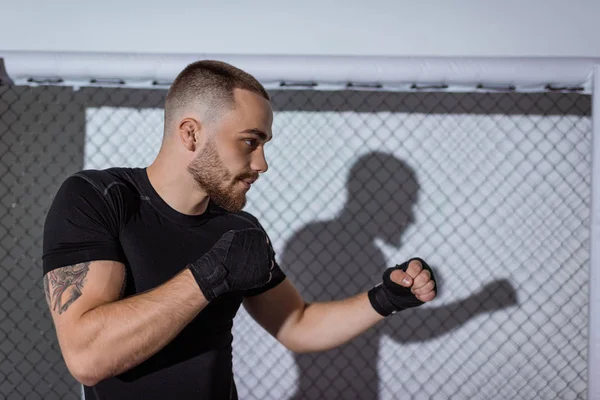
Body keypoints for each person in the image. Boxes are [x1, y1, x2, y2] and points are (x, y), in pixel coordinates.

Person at [42, 60, 437, 400]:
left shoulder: (238, 229)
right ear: (191, 133)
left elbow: (296, 324)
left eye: (263, 144)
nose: (262, 163)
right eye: (249, 142)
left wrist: (385, 298)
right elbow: (87, 358)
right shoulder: (99, 199)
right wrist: (208, 277)